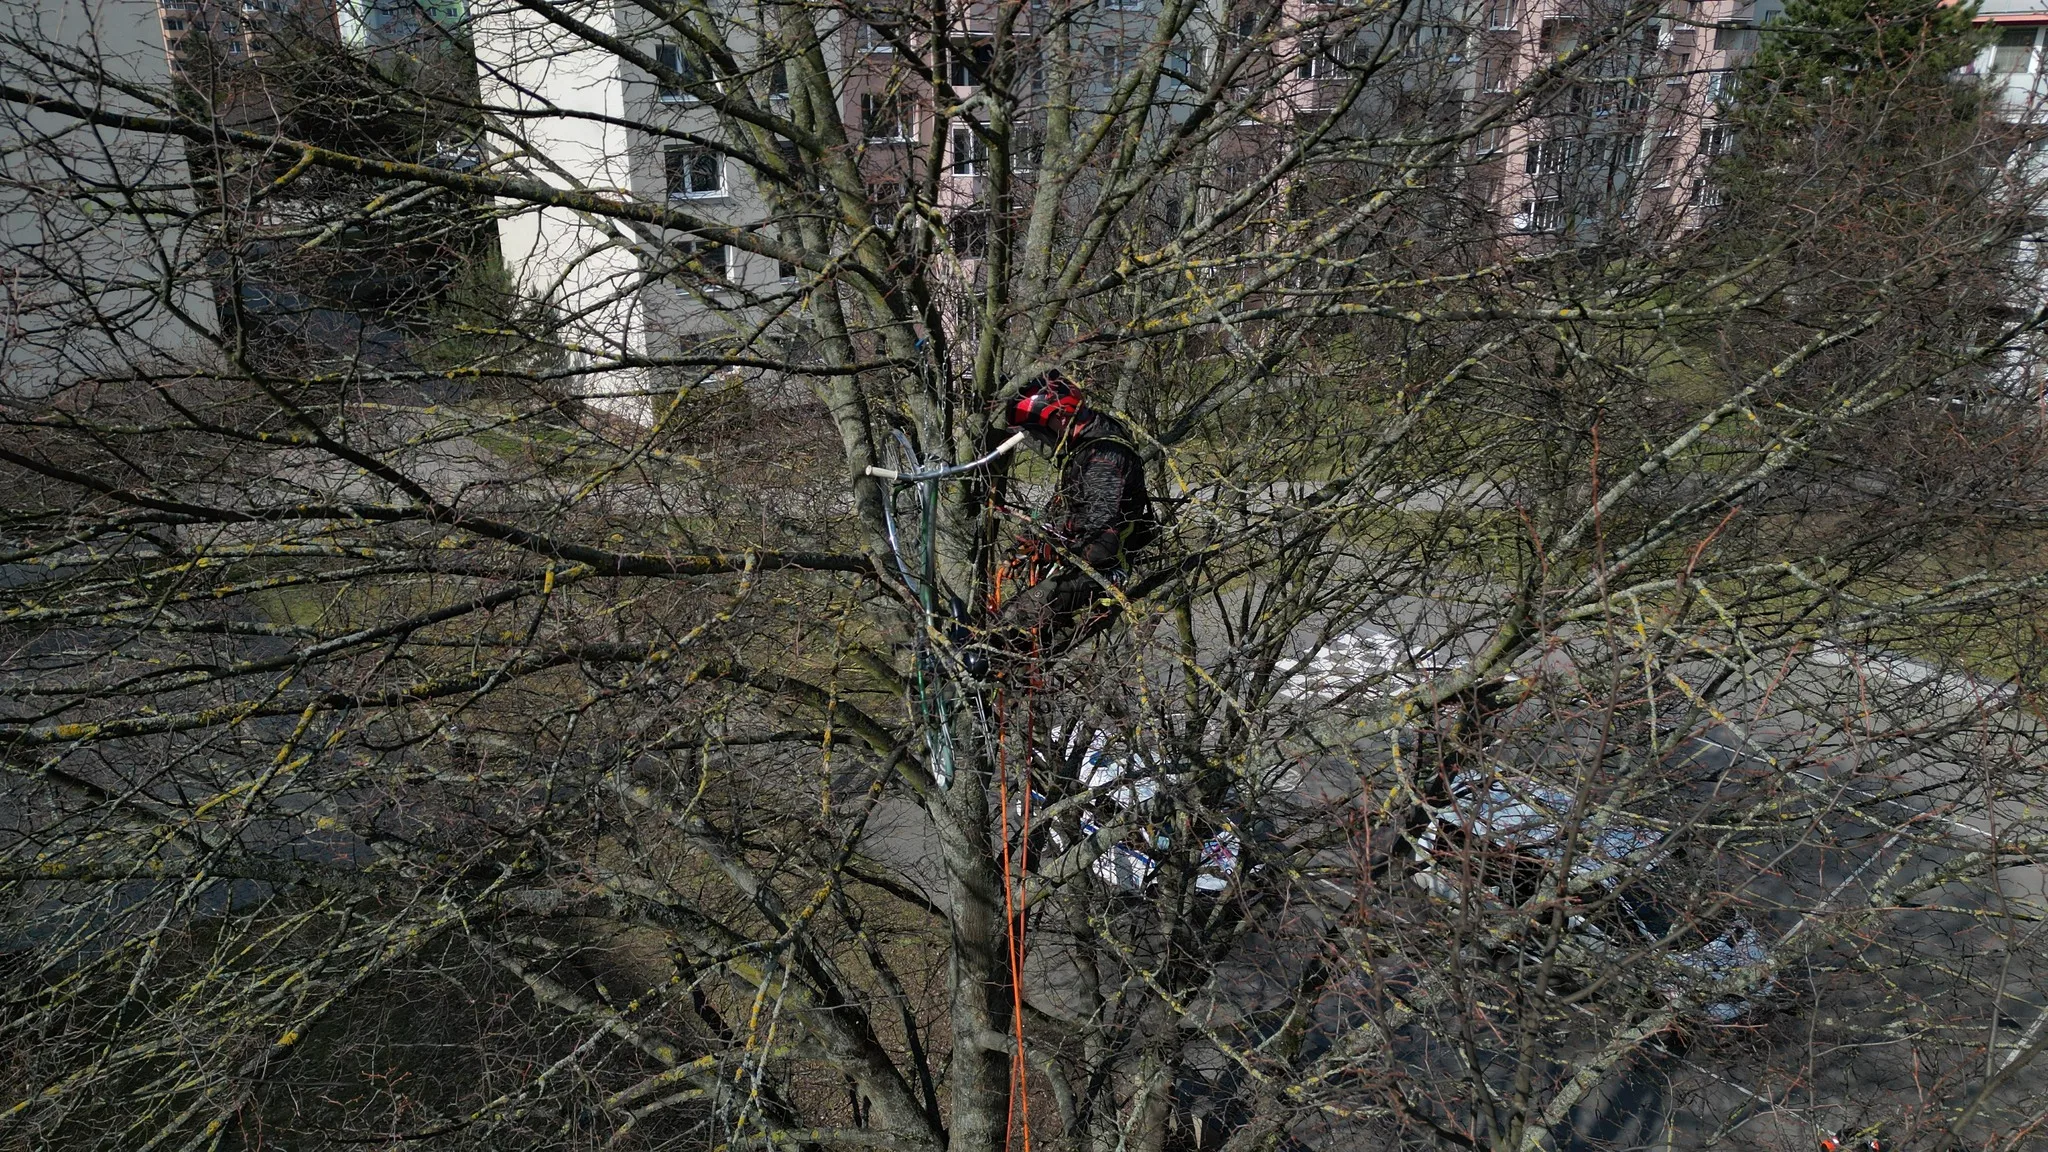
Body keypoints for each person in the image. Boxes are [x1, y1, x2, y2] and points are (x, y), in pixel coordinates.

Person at [988, 371, 1156, 651]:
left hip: (1105, 570)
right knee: (1011, 622)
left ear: (1061, 417)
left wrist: (1049, 547)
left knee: (1015, 619)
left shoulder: (1102, 459)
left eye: (1038, 431)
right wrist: (1032, 537)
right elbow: (1067, 505)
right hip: (1082, 559)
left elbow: (1100, 544)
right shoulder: (1087, 444)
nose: (1037, 440)